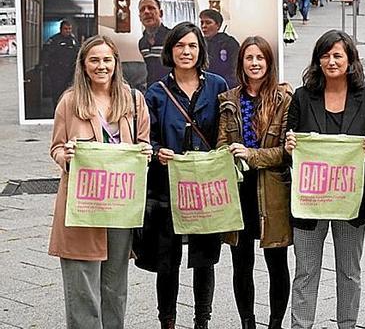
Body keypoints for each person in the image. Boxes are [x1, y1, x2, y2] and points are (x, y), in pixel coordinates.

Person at [49, 35, 151, 328]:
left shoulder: (133, 99)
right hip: (82, 206)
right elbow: (56, 147)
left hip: (120, 206)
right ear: (83, 64)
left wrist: (145, 152)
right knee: (82, 287)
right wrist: (65, 155)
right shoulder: (70, 101)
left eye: (107, 59)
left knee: (114, 286)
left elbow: (143, 143)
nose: (101, 66)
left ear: (116, 63)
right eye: (94, 60)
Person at [283, 30, 365, 329]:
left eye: (337, 55)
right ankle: (301, 325)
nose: (331, 61)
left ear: (351, 59)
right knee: (306, 271)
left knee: (349, 271)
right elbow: (291, 150)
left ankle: (347, 324)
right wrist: (289, 148)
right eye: (325, 55)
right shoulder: (303, 96)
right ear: (317, 60)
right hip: (310, 200)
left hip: (352, 200)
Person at [138, 22, 229, 329]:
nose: (186, 51)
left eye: (192, 45)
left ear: (201, 49)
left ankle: (202, 320)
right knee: (168, 261)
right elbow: (145, 138)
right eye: (179, 46)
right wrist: (156, 151)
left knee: (204, 259)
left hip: (206, 186)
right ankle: (168, 321)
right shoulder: (156, 92)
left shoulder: (217, 85)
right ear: (170, 50)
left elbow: (229, 130)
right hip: (167, 187)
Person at [216, 36, 293, 329]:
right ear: (241, 63)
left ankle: (275, 323)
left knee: (276, 261)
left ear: (269, 63)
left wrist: (252, 154)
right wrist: (227, 152)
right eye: (249, 58)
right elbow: (221, 143)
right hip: (239, 189)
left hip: (272, 189)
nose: (255, 63)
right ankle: (247, 322)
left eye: (260, 58)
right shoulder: (228, 100)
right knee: (241, 263)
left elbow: (286, 151)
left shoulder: (283, 99)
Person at [199, 8, 240, 89]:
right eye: (202, 23)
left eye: (208, 22)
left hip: (225, 86)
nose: (204, 26)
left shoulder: (229, 43)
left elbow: (236, 69)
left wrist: (223, 86)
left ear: (218, 25)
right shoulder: (199, 42)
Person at [42, 19, 79, 106]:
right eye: (66, 29)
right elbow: (46, 54)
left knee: (70, 94)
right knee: (57, 94)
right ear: (61, 29)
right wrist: (45, 67)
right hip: (57, 73)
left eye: (69, 29)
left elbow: (78, 54)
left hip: (70, 72)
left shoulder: (73, 41)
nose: (68, 31)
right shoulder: (54, 40)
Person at [138, 0, 172, 87]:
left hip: (173, 92)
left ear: (160, 13)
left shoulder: (173, 36)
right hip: (152, 90)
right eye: (142, 9)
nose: (146, 11)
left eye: (151, 8)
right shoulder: (142, 43)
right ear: (140, 17)